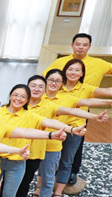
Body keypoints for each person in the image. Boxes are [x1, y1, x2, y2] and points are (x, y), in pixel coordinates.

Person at [5, 73, 108, 197]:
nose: (37, 89)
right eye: (33, 86)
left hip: (43, 148)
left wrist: (89, 119)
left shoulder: (49, 105)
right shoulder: (21, 104)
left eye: (41, 86)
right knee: (13, 181)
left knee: (37, 178)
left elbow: (71, 111)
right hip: (19, 150)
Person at [0, 85, 79, 197]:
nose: (18, 99)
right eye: (15, 95)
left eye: (23, 97)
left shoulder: (30, 115)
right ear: (10, 95)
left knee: (9, 196)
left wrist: (70, 129)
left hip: (17, 162)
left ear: (27, 100)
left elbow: (48, 122)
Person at [44, 33, 112, 186]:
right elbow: (45, 79)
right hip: (58, 110)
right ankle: (50, 171)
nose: (81, 47)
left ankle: (71, 172)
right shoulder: (60, 62)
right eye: (78, 44)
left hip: (81, 112)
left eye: (85, 44)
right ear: (72, 45)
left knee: (75, 144)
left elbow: (103, 92)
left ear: (89, 47)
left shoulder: (99, 64)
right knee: (53, 142)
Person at [51, 59, 112, 197]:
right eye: (70, 69)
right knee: (49, 160)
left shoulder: (86, 88)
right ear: (65, 71)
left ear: (82, 74)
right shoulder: (57, 86)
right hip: (55, 128)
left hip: (75, 130)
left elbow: (106, 92)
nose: (73, 73)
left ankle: (58, 193)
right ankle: (42, 188)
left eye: (77, 70)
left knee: (67, 161)